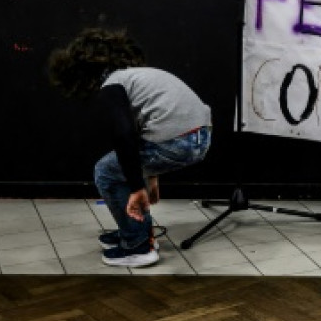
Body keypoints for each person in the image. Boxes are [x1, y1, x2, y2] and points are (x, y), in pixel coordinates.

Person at [47, 27, 212, 268]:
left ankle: (137, 245)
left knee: (106, 171)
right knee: (124, 165)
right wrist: (150, 177)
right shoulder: (137, 76)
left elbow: (124, 135)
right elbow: (149, 130)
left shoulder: (113, 85)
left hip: (178, 141)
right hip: (201, 137)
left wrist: (137, 187)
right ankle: (135, 231)